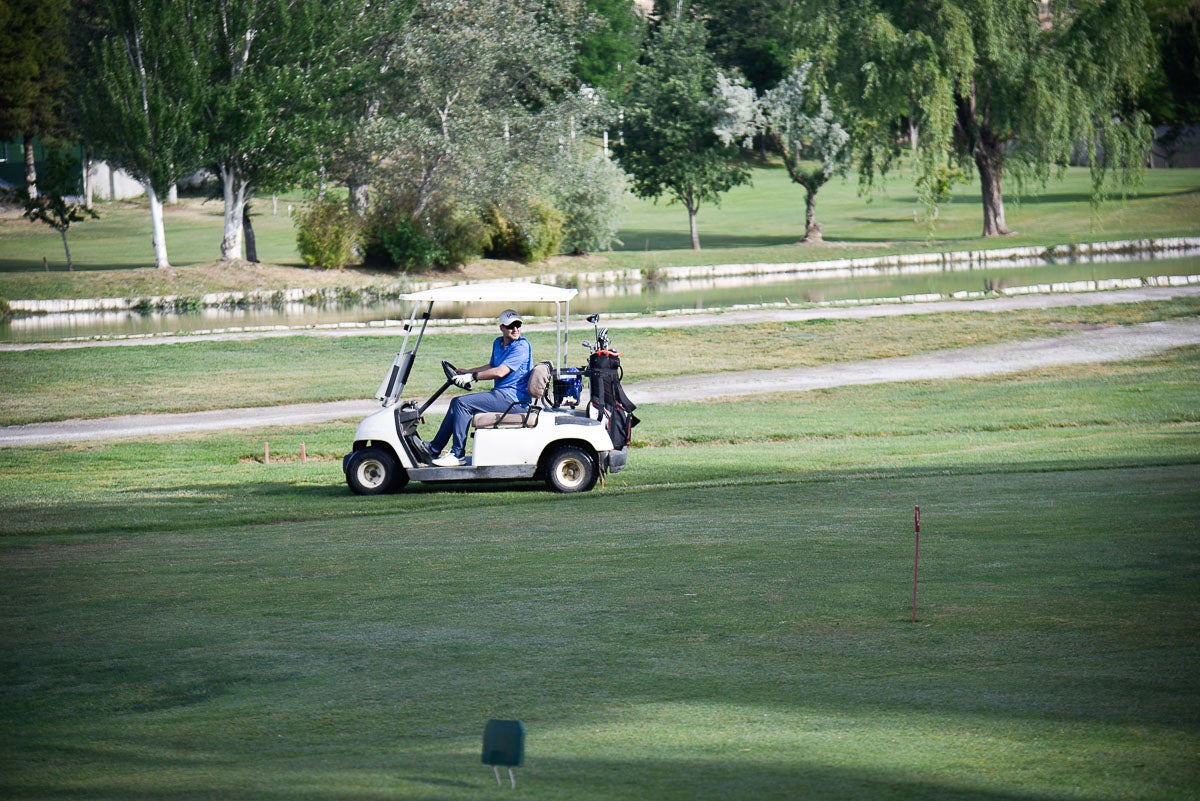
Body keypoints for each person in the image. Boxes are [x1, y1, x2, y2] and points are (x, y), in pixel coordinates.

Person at [429, 309, 533, 466]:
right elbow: (492, 365)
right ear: (502, 328)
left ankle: (458, 455)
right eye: (511, 326)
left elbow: (500, 372)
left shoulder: (522, 347)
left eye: (518, 325)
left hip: (514, 400)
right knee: (455, 404)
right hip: (501, 395)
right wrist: (468, 371)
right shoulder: (498, 343)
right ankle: (434, 449)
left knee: (462, 403)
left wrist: (472, 377)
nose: (515, 329)